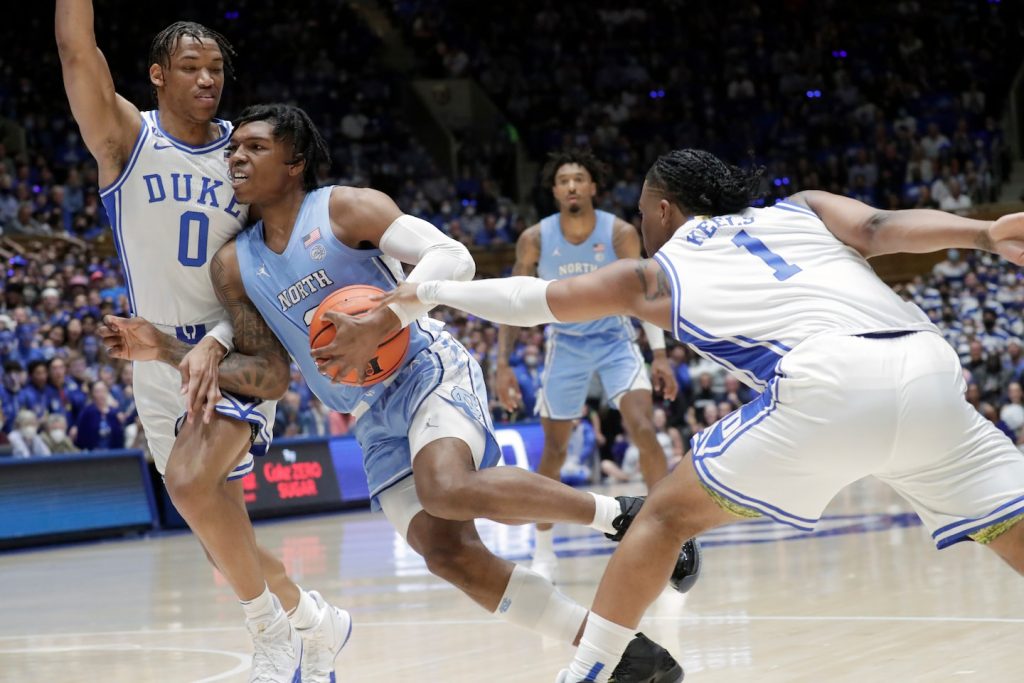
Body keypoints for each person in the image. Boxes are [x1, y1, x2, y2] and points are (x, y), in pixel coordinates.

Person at [100, 104, 700, 682]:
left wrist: (385, 321)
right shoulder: (235, 263)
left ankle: (622, 515)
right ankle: (622, 655)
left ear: (295, 160)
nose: (237, 156)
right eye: (233, 148)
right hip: (366, 415)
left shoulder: (345, 208)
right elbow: (270, 376)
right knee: (449, 555)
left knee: (446, 487)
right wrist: (172, 349)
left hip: (423, 367)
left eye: (255, 146)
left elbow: (452, 256)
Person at [381, 148, 1024, 682]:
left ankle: (590, 673)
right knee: (1012, 527)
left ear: (664, 209)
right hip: (931, 368)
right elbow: (881, 230)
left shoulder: (657, 272)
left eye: (642, 212)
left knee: (663, 517)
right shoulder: (802, 208)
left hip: (830, 381)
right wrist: (984, 234)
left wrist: (427, 291)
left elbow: (534, 300)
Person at [56, 5, 347, 681]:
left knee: (191, 484)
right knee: (222, 541)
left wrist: (215, 341)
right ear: (158, 76)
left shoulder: (245, 154)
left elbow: (275, 264)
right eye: (190, 67)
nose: (207, 79)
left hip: (235, 347)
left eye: (216, 68)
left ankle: (276, 641)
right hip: (155, 364)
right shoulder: (127, 139)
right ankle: (313, 620)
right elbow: (76, 52)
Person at [497, 149, 678, 582]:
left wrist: (659, 355)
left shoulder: (617, 233)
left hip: (615, 340)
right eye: (564, 180)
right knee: (555, 449)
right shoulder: (535, 239)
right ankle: (543, 548)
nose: (573, 185)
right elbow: (513, 300)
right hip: (566, 343)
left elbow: (645, 294)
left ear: (593, 186)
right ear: (555, 191)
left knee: (644, 429)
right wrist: (502, 363)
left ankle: (667, 539)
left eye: (579, 178)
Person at [73, 380, 124, 450]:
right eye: (97, 391)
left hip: (113, 453)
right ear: (92, 394)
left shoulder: (114, 413)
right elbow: (81, 438)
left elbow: (119, 438)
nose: (101, 394)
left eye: (103, 391)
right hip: (93, 454)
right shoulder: (87, 412)